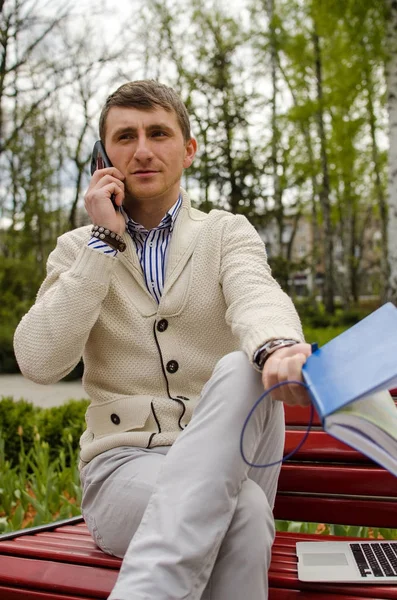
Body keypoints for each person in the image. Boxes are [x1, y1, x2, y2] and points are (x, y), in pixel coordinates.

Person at [14, 80, 312, 600]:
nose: (143, 150)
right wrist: (101, 243)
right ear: (103, 156)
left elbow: (256, 294)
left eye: (159, 133)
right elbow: (39, 361)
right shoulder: (76, 250)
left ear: (188, 149)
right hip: (125, 469)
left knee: (244, 365)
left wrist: (276, 347)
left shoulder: (226, 233)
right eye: (125, 137)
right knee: (243, 515)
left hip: (237, 457)